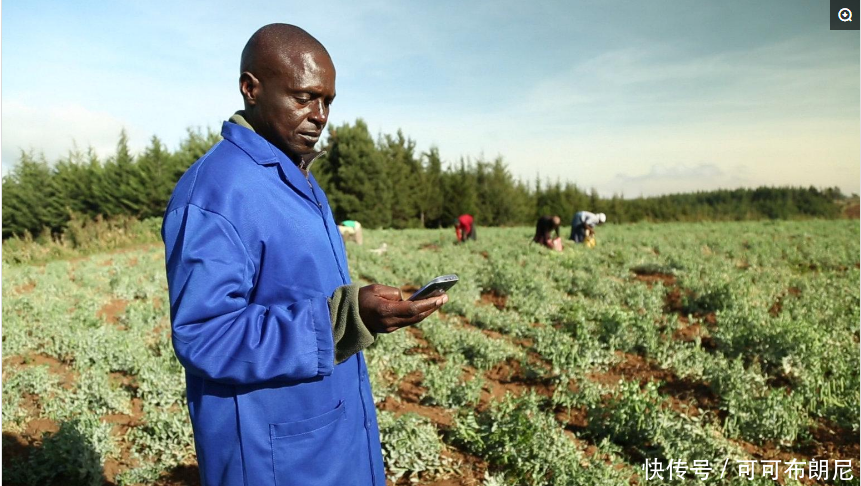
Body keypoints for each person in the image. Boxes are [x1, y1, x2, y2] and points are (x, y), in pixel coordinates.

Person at [161, 24, 446, 486]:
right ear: (251, 88)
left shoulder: (294, 177)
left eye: (328, 101)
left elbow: (300, 292)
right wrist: (345, 319)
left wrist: (357, 309)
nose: (320, 115)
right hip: (271, 452)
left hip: (325, 434)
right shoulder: (217, 192)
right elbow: (205, 334)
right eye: (304, 98)